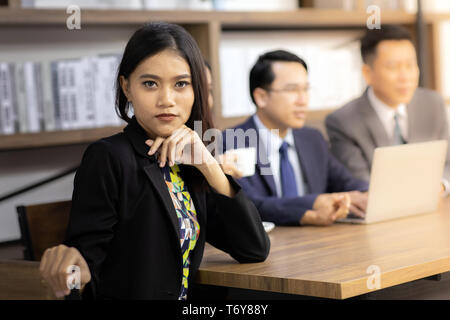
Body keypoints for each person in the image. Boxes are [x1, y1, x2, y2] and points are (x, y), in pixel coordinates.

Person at [39, 22, 270, 300]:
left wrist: (209, 165)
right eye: (150, 84)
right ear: (126, 87)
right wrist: (71, 270)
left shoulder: (189, 159)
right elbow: (85, 270)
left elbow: (253, 248)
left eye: (181, 84)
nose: (167, 100)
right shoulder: (109, 158)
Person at [223, 50, 369, 226]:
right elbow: (251, 204)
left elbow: (347, 182)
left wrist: (364, 194)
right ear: (261, 97)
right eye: (292, 90)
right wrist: (314, 202)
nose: (303, 100)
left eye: (305, 89)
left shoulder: (312, 139)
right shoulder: (232, 141)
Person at [325, 24, 450, 191]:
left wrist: (440, 185)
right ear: (368, 74)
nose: (405, 76)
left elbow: (447, 162)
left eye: (410, 65)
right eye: (393, 67)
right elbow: (360, 185)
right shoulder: (343, 122)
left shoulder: (432, 104)